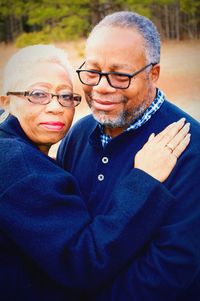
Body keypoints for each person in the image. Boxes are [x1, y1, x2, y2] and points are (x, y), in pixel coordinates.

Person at [0, 44, 190, 301]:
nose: (56, 107)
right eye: (38, 94)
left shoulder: (16, 151)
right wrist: (143, 180)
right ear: (7, 101)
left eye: (66, 96)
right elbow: (83, 263)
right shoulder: (23, 169)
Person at [57, 11, 200, 301]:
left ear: (153, 74)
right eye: (93, 71)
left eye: (120, 76)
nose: (101, 87)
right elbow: (66, 237)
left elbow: (168, 271)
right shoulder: (77, 134)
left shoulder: (188, 147)